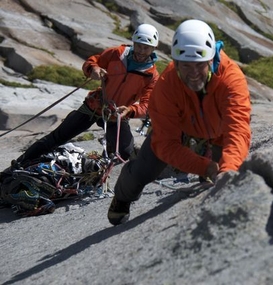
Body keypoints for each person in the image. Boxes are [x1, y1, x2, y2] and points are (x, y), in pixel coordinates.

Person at [107, 19, 252, 226]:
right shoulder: (167, 85)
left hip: (218, 132)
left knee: (225, 171)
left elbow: (238, 130)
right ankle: (122, 197)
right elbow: (166, 143)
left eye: (199, 65)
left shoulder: (231, 79)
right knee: (143, 169)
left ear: (211, 60)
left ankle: (211, 170)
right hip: (181, 128)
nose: (193, 74)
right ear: (176, 62)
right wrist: (205, 167)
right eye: (185, 66)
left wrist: (226, 170)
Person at [12, 23, 160, 167]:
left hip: (116, 114)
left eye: (146, 48)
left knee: (125, 151)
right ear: (133, 43)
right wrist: (93, 69)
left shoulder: (151, 76)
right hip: (94, 106)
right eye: (138, 45)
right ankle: (19, 164)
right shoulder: (117, 53)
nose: (141, 51)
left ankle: (98, 170)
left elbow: (147, 105)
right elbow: (92, 62)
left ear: (154, 48)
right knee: (58, 137)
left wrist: (131, 111)